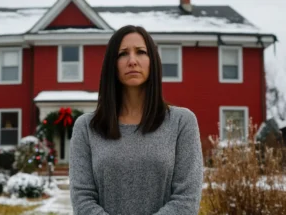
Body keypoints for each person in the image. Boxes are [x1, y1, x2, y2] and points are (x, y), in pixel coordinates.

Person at [69, 25, 203, 215]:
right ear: (112, 64)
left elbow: (187, 199)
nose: (132, 61)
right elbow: (82, 199)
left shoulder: (182, 122)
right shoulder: (86, 127)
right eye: (123, 54)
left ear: (152, 61)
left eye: (140, 52)